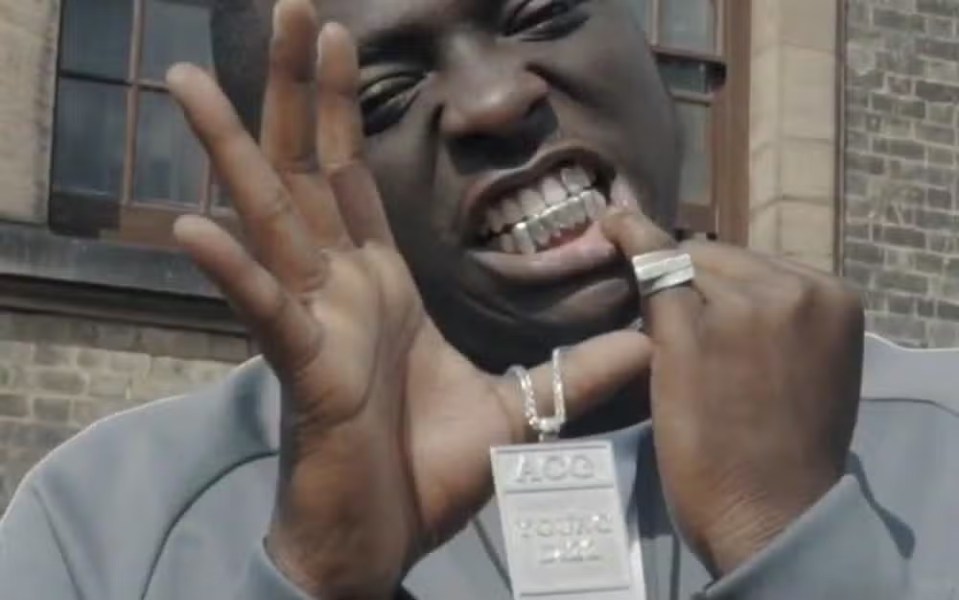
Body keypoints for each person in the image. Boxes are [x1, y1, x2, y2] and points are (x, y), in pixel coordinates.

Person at [2, 0, 958, 597]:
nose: (497, 98)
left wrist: (789, 545)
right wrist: (317, 580)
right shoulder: (106, 525)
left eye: (542, 11)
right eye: (379, 96)